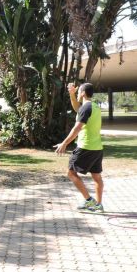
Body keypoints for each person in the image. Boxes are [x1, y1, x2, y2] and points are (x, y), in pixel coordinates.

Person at [55, 82, 104, 212]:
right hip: (97, 148)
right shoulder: (94, 106)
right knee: (97, 177)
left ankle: (89, 201)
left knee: (71, 173)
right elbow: (77, 108)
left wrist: (64, 143)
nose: (77, 93)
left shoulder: (86, 108)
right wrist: (71, 94)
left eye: (78, 92)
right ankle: (98, 204)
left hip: (85, 147)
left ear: (82, 93)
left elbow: (77, 127)